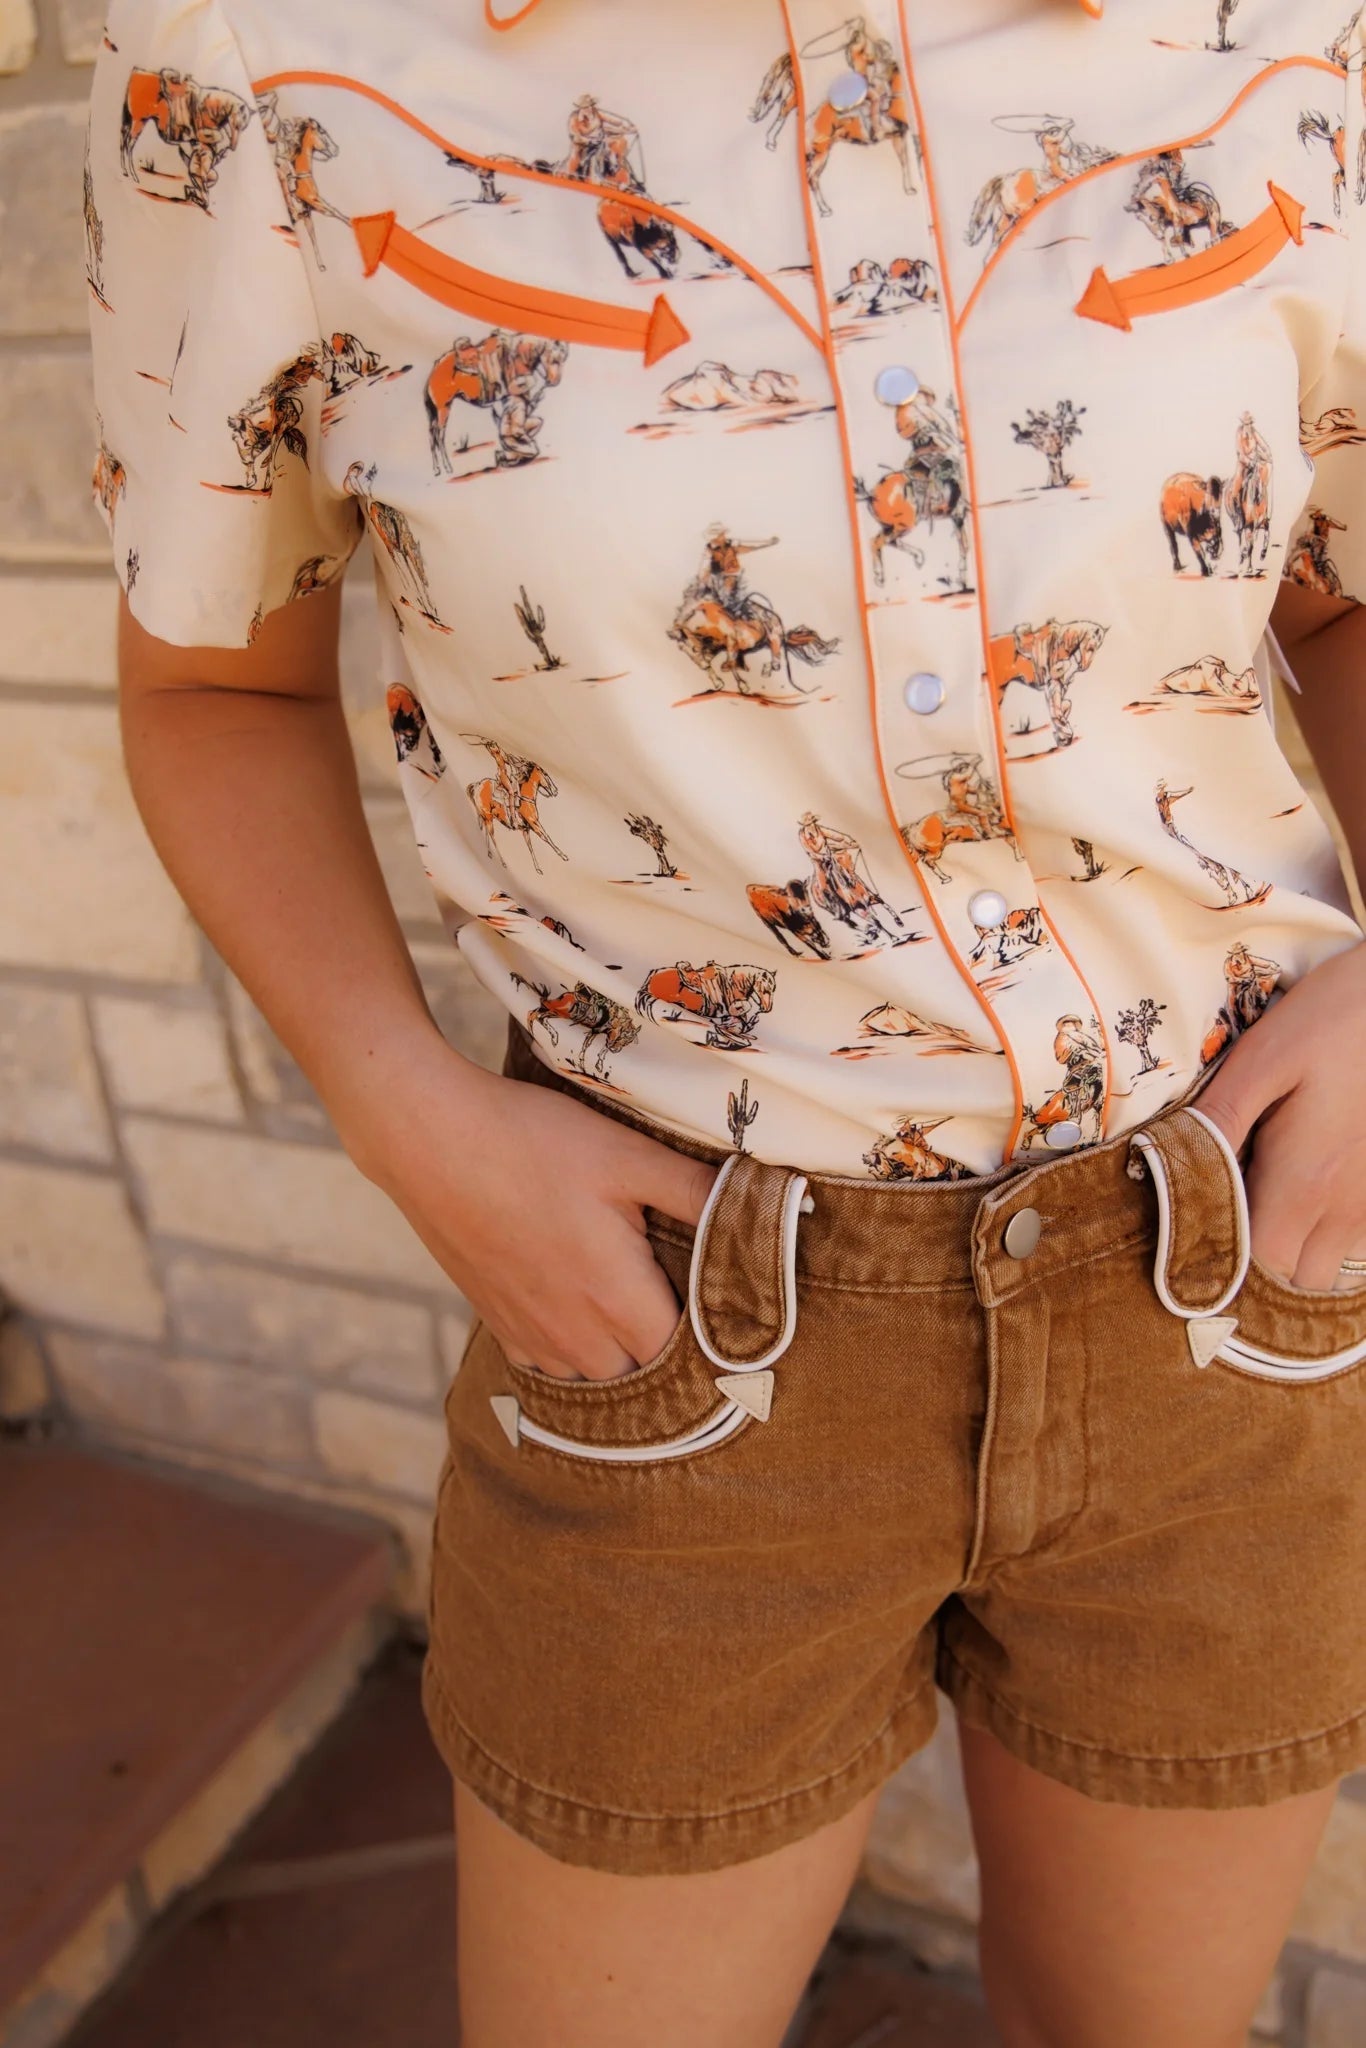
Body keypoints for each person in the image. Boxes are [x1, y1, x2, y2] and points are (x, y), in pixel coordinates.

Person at [87, 3, 1366, 2044]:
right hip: (678, 1320)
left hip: (1226, 1285)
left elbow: (1332, 586)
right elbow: (211, 683)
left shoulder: (1275, 28)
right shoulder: (269, 51)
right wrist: (404, 1110)